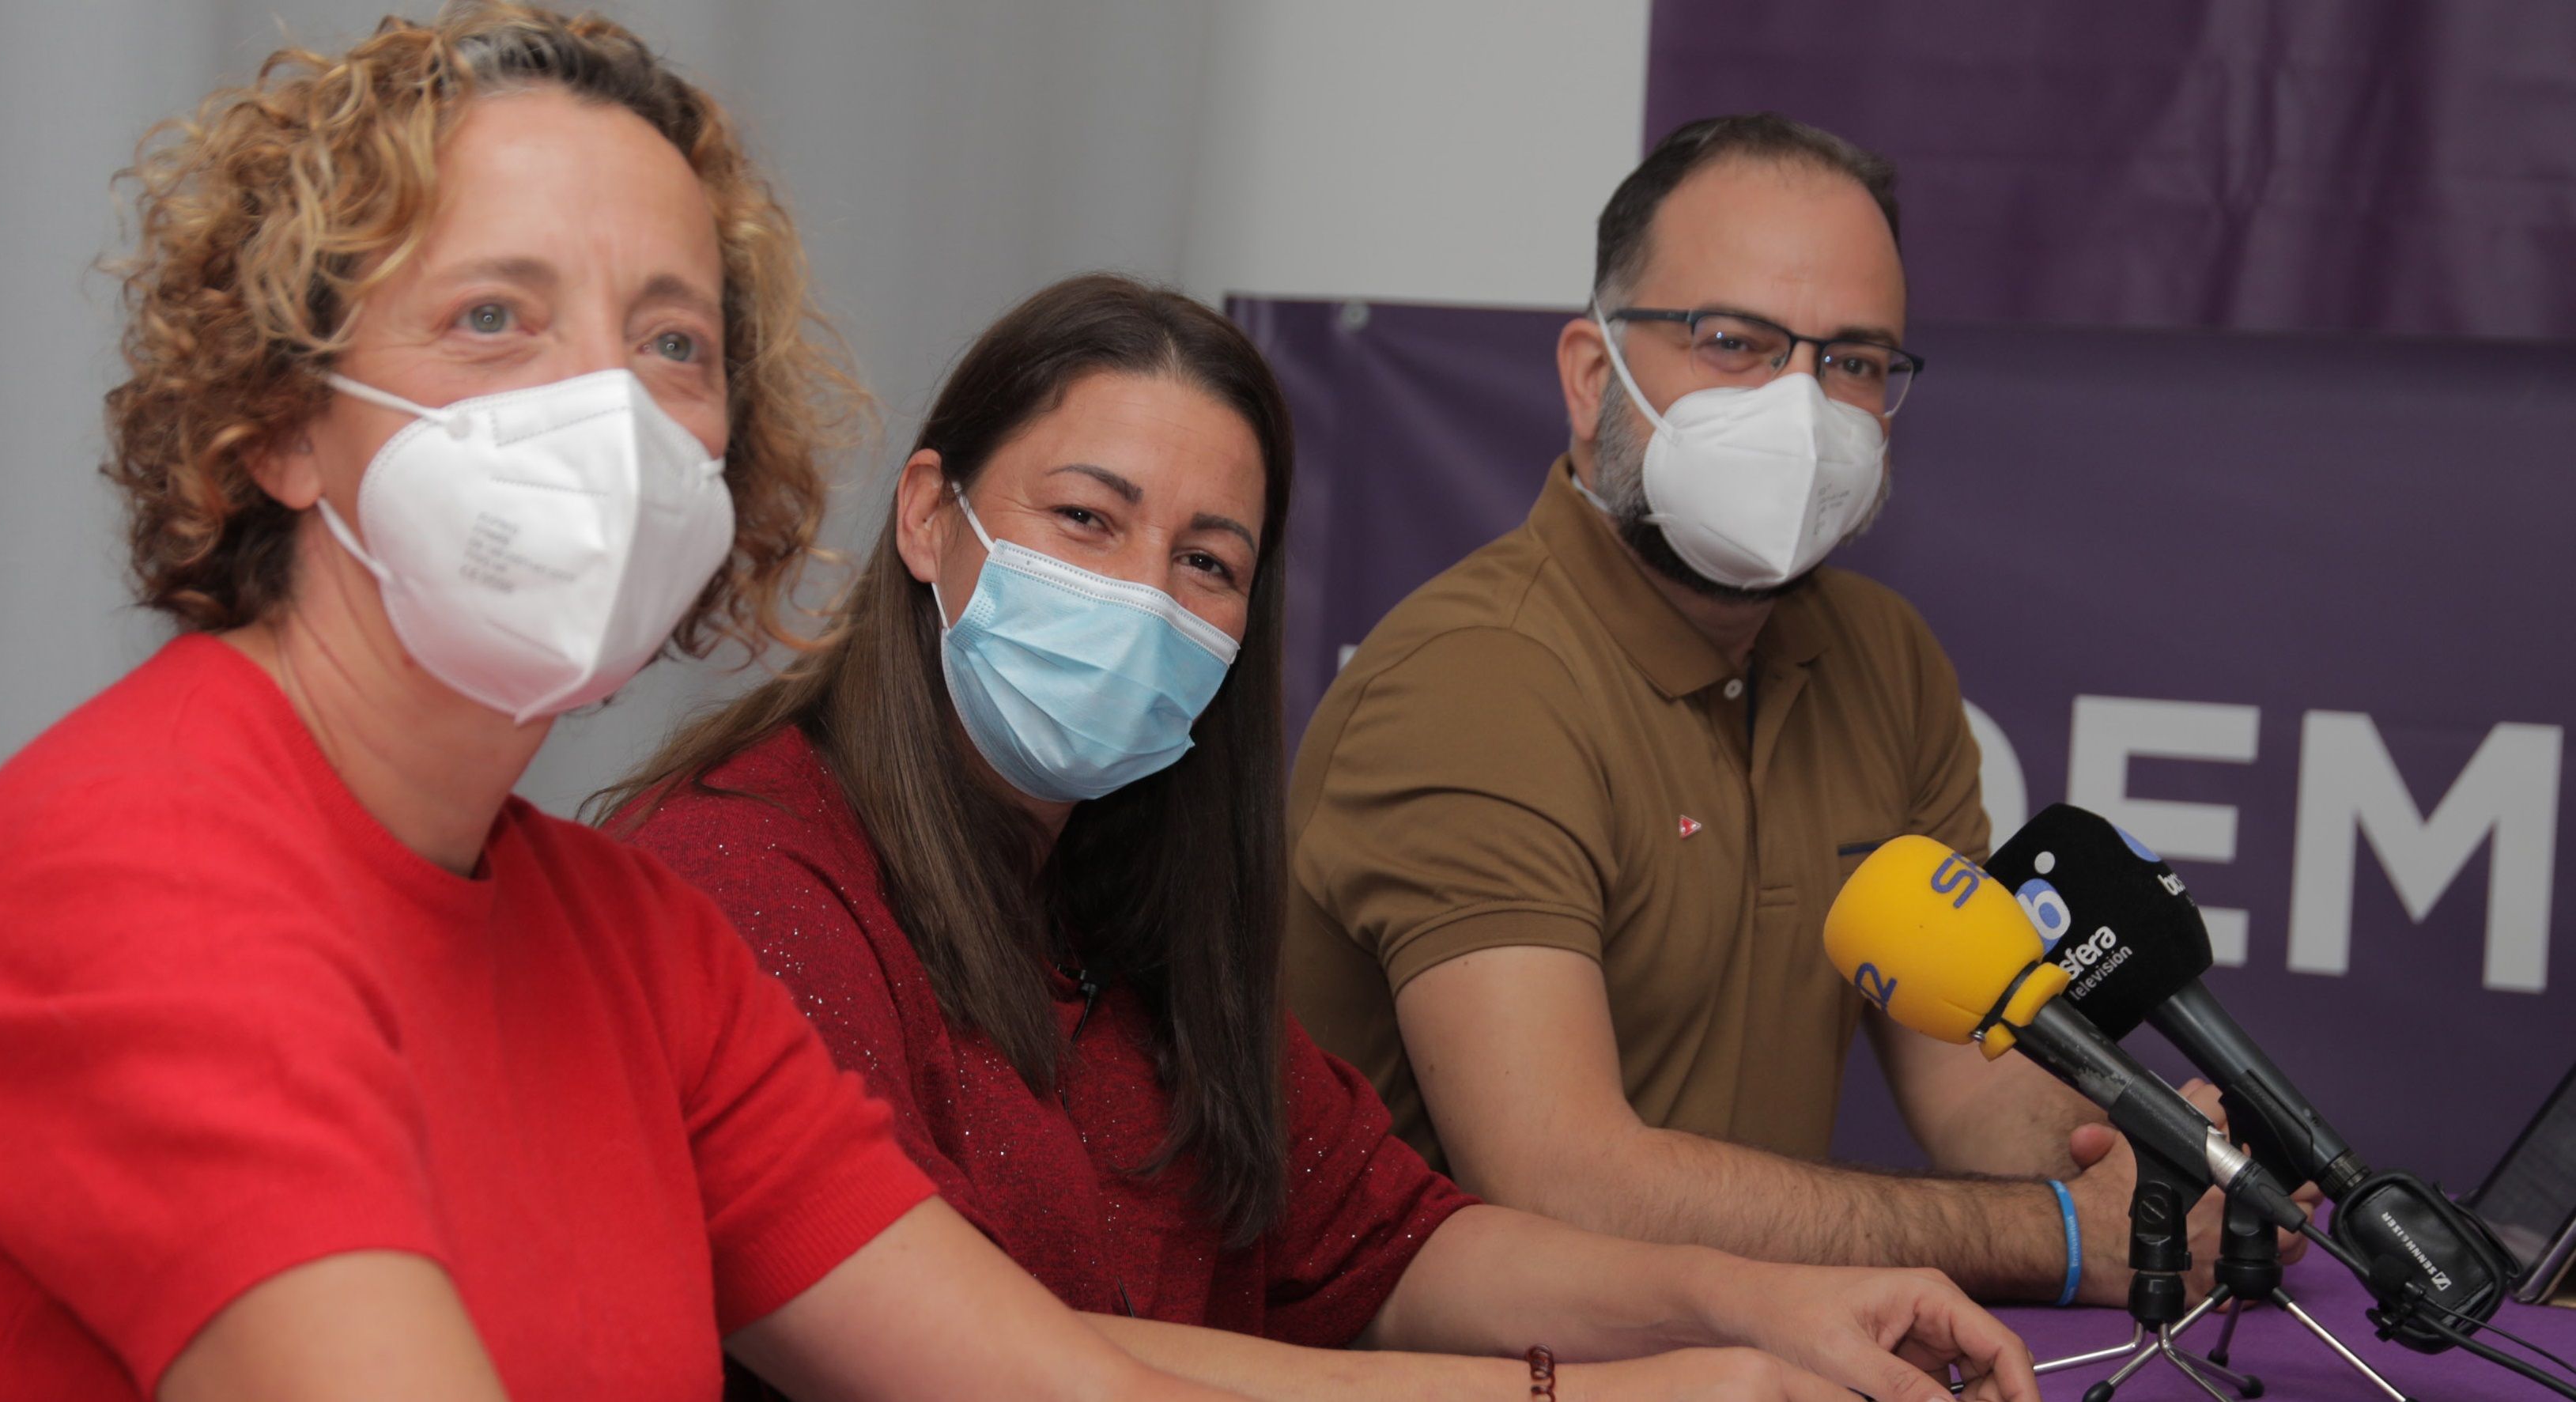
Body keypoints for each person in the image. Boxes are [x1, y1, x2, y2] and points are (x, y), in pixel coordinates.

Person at [0, 10, 1248, 1401]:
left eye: (672, 343)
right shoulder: (136, 882)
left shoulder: (634, 941)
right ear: (287, 418)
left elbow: (1041, 1380)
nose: (605, 410)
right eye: (494, 315)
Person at [603, 272, 2040, 1402]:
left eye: (1206, 561)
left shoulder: (1125, 893)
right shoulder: (744, 884)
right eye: (1087, 518)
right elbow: (1012, 1366)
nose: (1142, 594)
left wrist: (1755, 1300)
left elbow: (1396, 1240)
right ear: (930, 514)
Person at [1282, 113, 2286, 1308]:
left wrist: (2146, 1163)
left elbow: (1967, 1072)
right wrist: (2060, 1232)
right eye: (1735, 342)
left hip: (1758, 1358)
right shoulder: (1469, 683)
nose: (1800, 411)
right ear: (1590, 374)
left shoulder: (1882, 658)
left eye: (1853, 361)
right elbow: (1561, 1181)